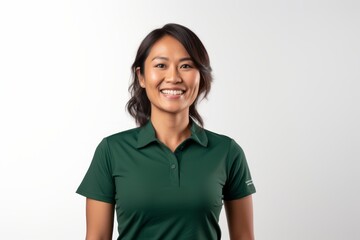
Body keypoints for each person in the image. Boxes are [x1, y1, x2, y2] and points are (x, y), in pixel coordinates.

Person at [76, 23, 256, 240]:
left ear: (201, 77)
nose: (174, 77)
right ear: (141, 76)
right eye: (161, 65)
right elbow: (96, 237)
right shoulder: (111, 151)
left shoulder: (227, 152)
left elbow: (244, 237)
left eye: (186, 66)